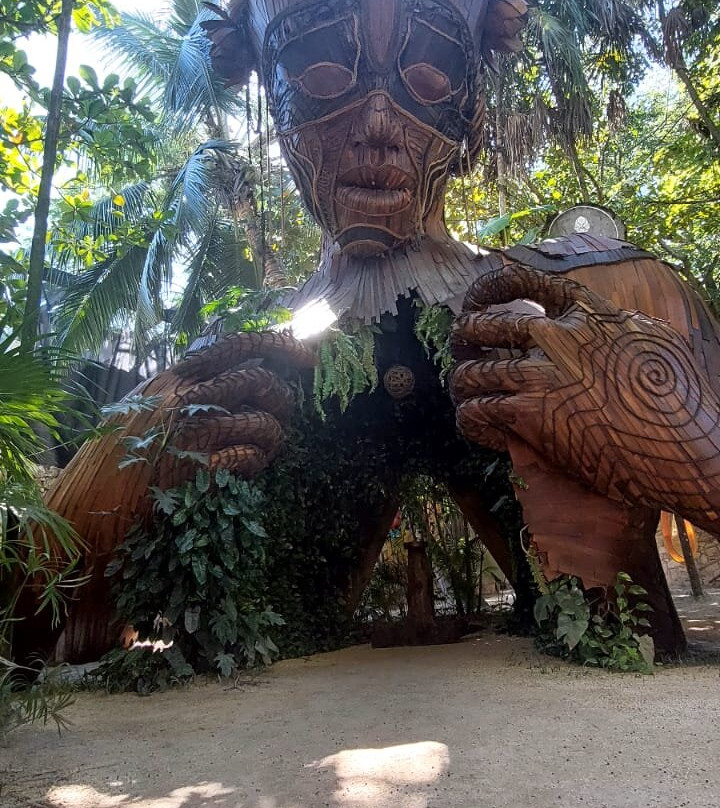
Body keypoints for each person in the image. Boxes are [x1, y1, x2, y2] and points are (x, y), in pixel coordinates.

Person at [33, 0, 720, 660]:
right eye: (320, 74)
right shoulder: (236, 374)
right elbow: (29, 622)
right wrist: (143, 462)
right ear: (274, 109)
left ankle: (599, 632)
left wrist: (669, 426)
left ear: (471, 110)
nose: (379, 123)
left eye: (429, 77)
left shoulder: (597, 297)